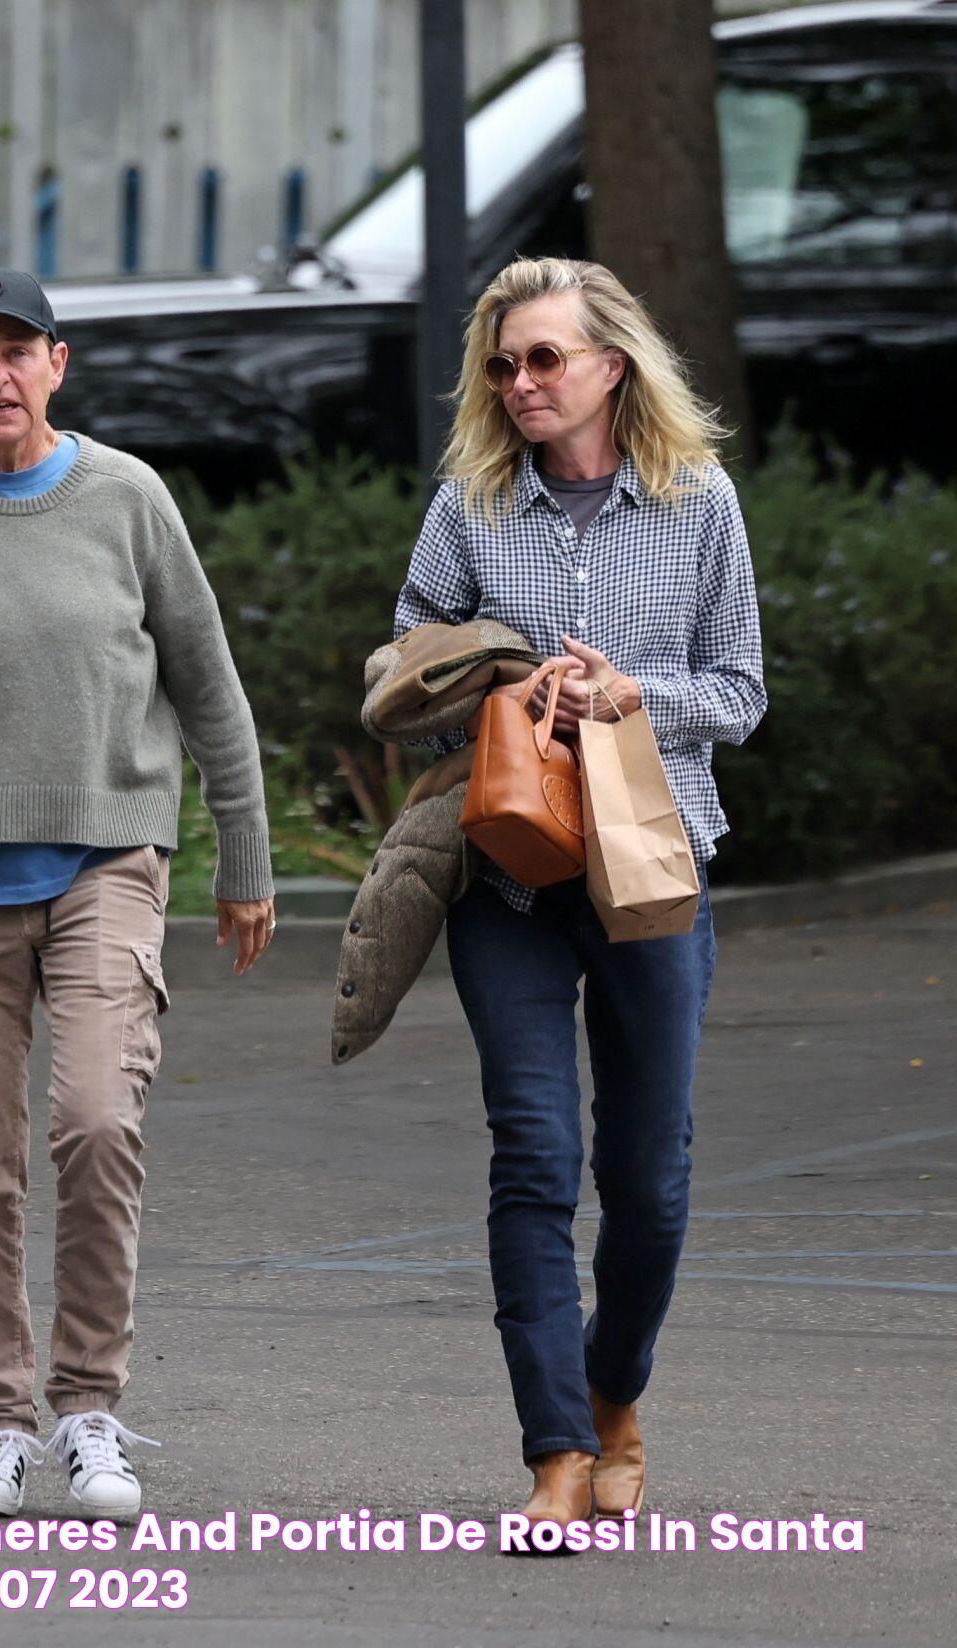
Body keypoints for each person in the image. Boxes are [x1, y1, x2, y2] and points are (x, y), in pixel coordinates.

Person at [0, 266, 276, 1520]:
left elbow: (208, 684)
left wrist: (241, 857)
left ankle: (88, 1410)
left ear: (57, 365)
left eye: (18, 351)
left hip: (103, 861)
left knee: (93, 1122)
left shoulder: (126, 498)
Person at [394, 256, 765, 1535]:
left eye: (543, 358)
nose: (518, 383)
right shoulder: (470, 502)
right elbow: (403, 682)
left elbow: (739, 691)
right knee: (536, 1157)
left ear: (612, 363)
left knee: (648, 1176)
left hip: (655, 872)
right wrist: (497, 689)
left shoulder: (696, 499)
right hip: (504, 876)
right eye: (501, 365)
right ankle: (554, 1450)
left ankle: (613, 1393)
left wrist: (629, 697)